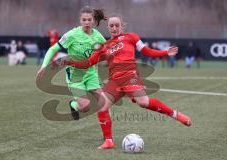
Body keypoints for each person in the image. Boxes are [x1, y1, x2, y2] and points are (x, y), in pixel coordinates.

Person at [62, 15, 192, 138]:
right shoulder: (104, 46)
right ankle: (108, 141)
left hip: (130, 76)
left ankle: (175, 114)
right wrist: (70, 62)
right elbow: (88, 63)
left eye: (117, 25)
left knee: (143, 102)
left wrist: (164, 52)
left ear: (121, 26)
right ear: (108, 27)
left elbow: (147, 51)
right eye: (111, 26)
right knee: (102, 106)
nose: (114, 28)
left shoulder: (131, 37)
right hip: (114, 81)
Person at [37, 6, 114, 149]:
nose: (86, 22)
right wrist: (44, 65)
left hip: (91, 75)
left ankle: (107, 136)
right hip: (75, 77)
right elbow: (53, 48)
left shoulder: (98, 36)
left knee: (106, 103)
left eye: (89, 20)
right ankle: (74, 104)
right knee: (85, 107)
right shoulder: (72, 34)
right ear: (80, 20)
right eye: (84, 20)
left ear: (93, 20)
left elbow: (107, 52)